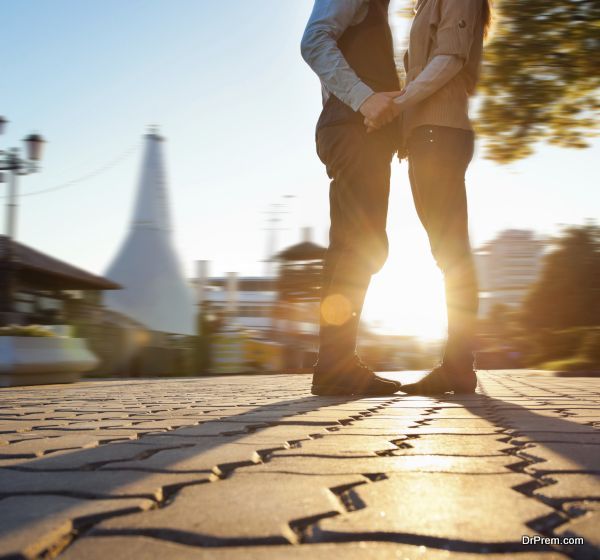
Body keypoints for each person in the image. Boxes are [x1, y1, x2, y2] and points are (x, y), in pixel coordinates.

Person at [366, 0, 492, 395]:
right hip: (426, 134)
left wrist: (397, 104)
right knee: (446, 252)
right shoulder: (426, 3)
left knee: (452, 252)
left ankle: (458, 366)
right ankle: (458, 365)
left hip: (441, 132)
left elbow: (449, 59)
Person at [301, 0, 403, 395]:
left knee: (349, 246)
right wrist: (364, 98)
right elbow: (313, 41)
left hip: (357, 132)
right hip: (351, 129)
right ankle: (336, 365)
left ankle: (334, 364)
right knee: (364, 247)